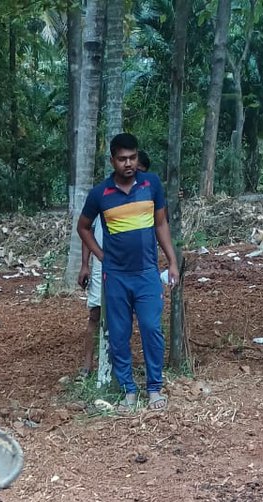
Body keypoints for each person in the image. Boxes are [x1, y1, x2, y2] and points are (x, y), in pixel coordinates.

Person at [77, 134, 178, 414]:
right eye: (122, 159)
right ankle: (128, 391)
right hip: (116, 276)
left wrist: (171, 261)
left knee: (151, 329)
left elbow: (161, 225)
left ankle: (154, 387)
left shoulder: (152, 184)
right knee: (119, 335)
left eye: (132, 157)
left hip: (147, 273)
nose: (128, 163)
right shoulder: (100, 194)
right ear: (112, 161)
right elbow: (83, 227)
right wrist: (100, 256)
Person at [78, 150, 151, 379]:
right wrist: (86, 264)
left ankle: (120, 369)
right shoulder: (105, 193)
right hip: (105, 264)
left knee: (130, 317)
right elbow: (86, 228)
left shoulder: (145, 194)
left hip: (134, 268)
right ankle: (88, 366)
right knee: (96, 313)